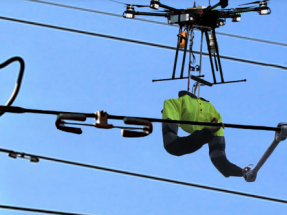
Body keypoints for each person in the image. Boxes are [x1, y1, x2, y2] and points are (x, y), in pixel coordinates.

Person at [162, 90, 250, 178]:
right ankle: (204, 134)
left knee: (172, 143)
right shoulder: (214, 113)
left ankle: (204, 135)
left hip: (195, 122)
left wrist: (241, 172)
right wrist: (241, 172)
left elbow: (171, 144)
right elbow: (219, 158)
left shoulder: (172, 103)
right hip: (206, 124)